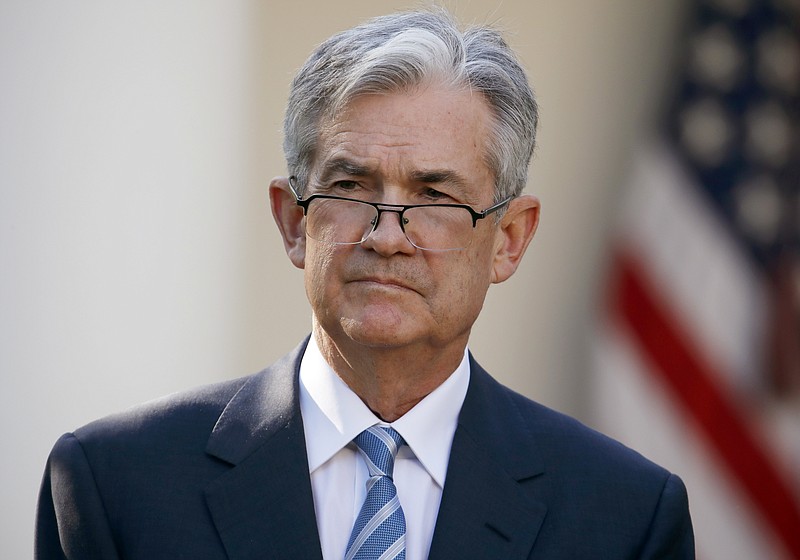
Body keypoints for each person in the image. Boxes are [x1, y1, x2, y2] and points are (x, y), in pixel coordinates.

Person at [35, 9, 694, 560]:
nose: (386, 234)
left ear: (510, 239)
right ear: (294, 222)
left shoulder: (625, 517)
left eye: (434, 194)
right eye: (350, 186)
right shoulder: (115, 484)